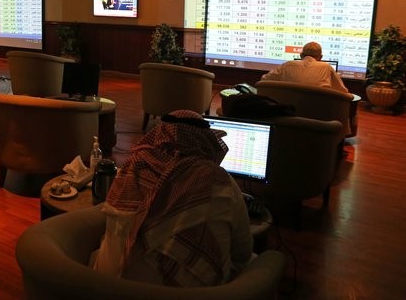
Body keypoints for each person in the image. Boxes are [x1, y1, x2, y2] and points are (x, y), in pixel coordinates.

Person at [92, 109, 252, 288]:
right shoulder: (219, 180)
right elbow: (243, 252)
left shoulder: (131, 167)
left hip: (106, 286)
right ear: (205, 140)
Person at [261, 41, 348, 92]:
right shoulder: (326, 67)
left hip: (288, 111)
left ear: (301, 55)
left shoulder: (287, 65)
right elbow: (343, 91)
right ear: (321, 57)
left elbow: (264, 79)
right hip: (319, 112)